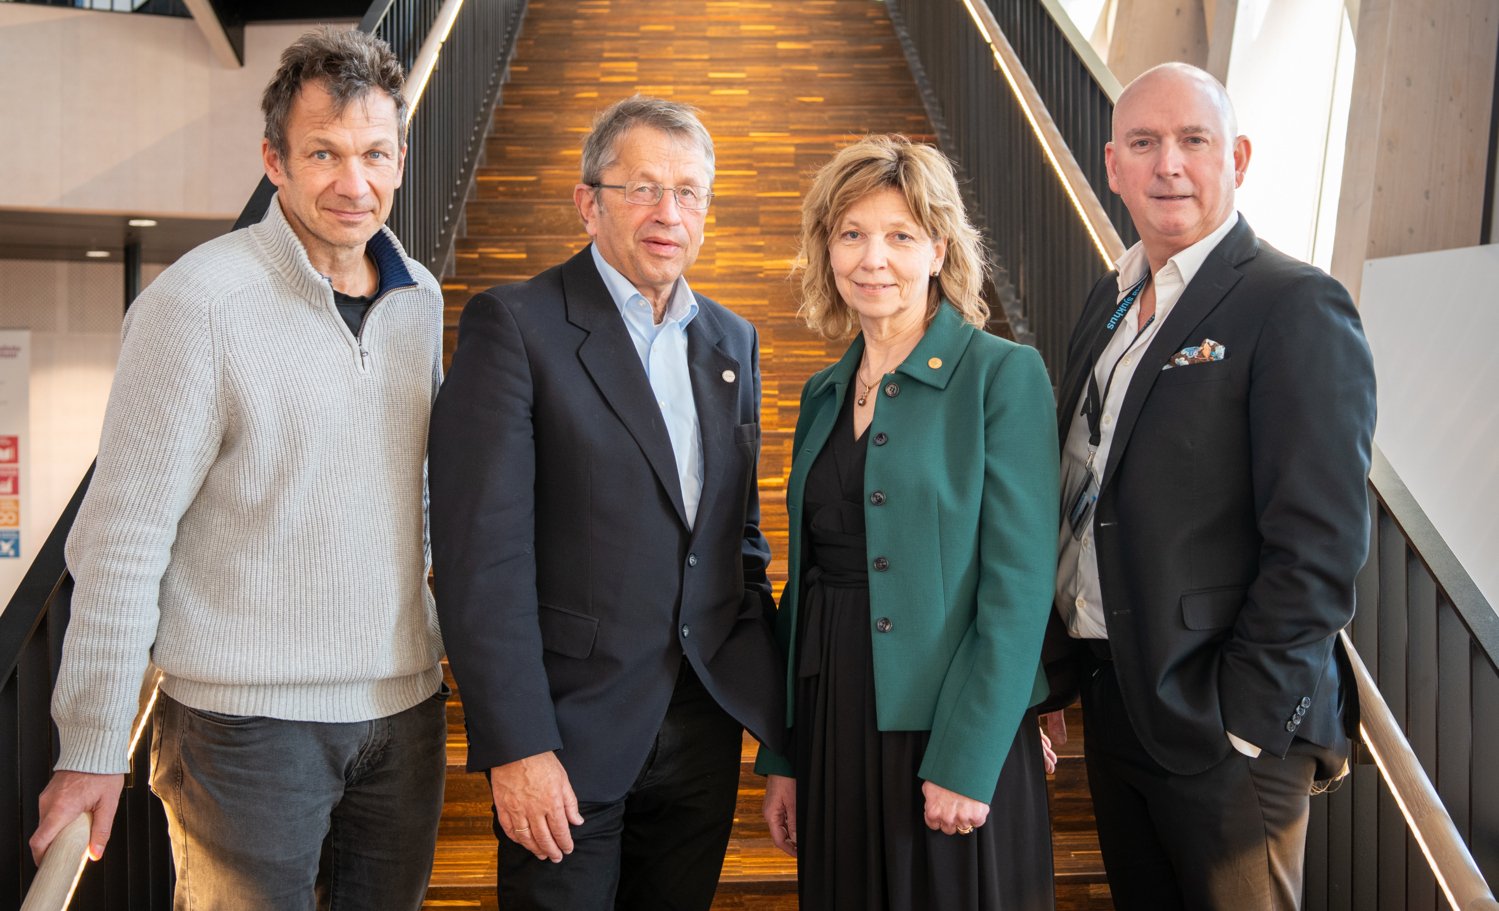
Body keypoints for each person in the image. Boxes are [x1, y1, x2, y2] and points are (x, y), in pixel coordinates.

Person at [28, 27, 448, 909]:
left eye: (374, 153)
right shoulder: (196, 302)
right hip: (243, 729)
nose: (354, 182)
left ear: (402, 160)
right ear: (274, 160)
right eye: (323, 153)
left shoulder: (419, 300)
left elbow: (414, 496)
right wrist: (92, 744)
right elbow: (122, 538)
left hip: (403, 712)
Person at [427, 95, 784, 911]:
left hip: (700, 725)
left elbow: (738, 544)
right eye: (643, 188)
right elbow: (481, 560)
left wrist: (772, 724)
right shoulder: (515, 325)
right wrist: (516, 744)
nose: (668, 213)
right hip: (566, 734)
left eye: (688, 192)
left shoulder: (730, 341)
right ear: (588, 202)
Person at [1047, 62, 1376, 910]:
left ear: (1236, 157)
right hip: (1115, 695)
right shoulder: (1109, 299)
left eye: (1192, 140)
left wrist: (1246, 720)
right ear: (1112, 164)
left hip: (1220, 720)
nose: (1168, 164)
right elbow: (1081, 488)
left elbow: (1320, 541)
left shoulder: (1294, 303)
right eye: (1143, 143)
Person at [755, 135, 1060, 910]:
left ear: (938, 249)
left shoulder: (1000, 374)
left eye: (899, 235)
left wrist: (969, 756)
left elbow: (1019, 588)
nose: (872, 258)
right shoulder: (822, 392)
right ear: (826, 249)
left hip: (952, 726)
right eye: (850, 234)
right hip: (832, 718)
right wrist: (783, 754)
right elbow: (804, 581)